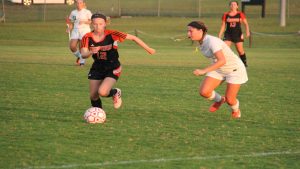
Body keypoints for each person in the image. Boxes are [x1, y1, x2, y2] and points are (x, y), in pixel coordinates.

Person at [80, 13, 155, 110]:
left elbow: (133, 38)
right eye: (95, 24)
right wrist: (91, 51)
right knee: (93, 96)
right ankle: (99, 115)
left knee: (102, 92)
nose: (98, 26)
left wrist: (148, 49)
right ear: (91, 24)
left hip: (113, 67)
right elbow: (83, 54)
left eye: (101, 24)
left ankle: (115, 92)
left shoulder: (112, 34)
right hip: (97, 67)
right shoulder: (87, 37)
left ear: (105, 23)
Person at [187, 21, 248, 119]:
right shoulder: (201, 42)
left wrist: (204, 71)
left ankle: (236, 110)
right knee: (204, 92)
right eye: (188, 31)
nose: (188, 34)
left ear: (200, 31)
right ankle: (220, 100)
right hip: (219, 68)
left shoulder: (211, 41)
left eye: (191, 31)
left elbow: (222, 61)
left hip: (234, 69)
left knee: (230, 100)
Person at [218, 0, 250, 67]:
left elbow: (246, 24)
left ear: (237, 6)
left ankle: (244, 63)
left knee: (240, 50)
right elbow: (223, 25)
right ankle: (225, 63)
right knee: (225, 49)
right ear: (229, 6)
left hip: (237, 34)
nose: (233, 6)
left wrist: (247, 31)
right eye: (231, 4)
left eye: (234, 4)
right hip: (228, 34)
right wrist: (220, 34)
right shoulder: (225, 15)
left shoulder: (240, 14)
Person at [66, 0, 92, 66]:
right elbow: (72, 23)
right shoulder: (73, 12)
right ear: (76, 4)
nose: (79, 4)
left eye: (80, 3)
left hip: (85, 31)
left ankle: (82, 63)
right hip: (75, 31)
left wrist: (84, 22)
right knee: (72, 46)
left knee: (82, 48)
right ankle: (80, 56)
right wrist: (69, 28)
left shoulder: (87, 12)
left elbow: (91, 21)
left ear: (83, 4)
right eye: (77, 3)